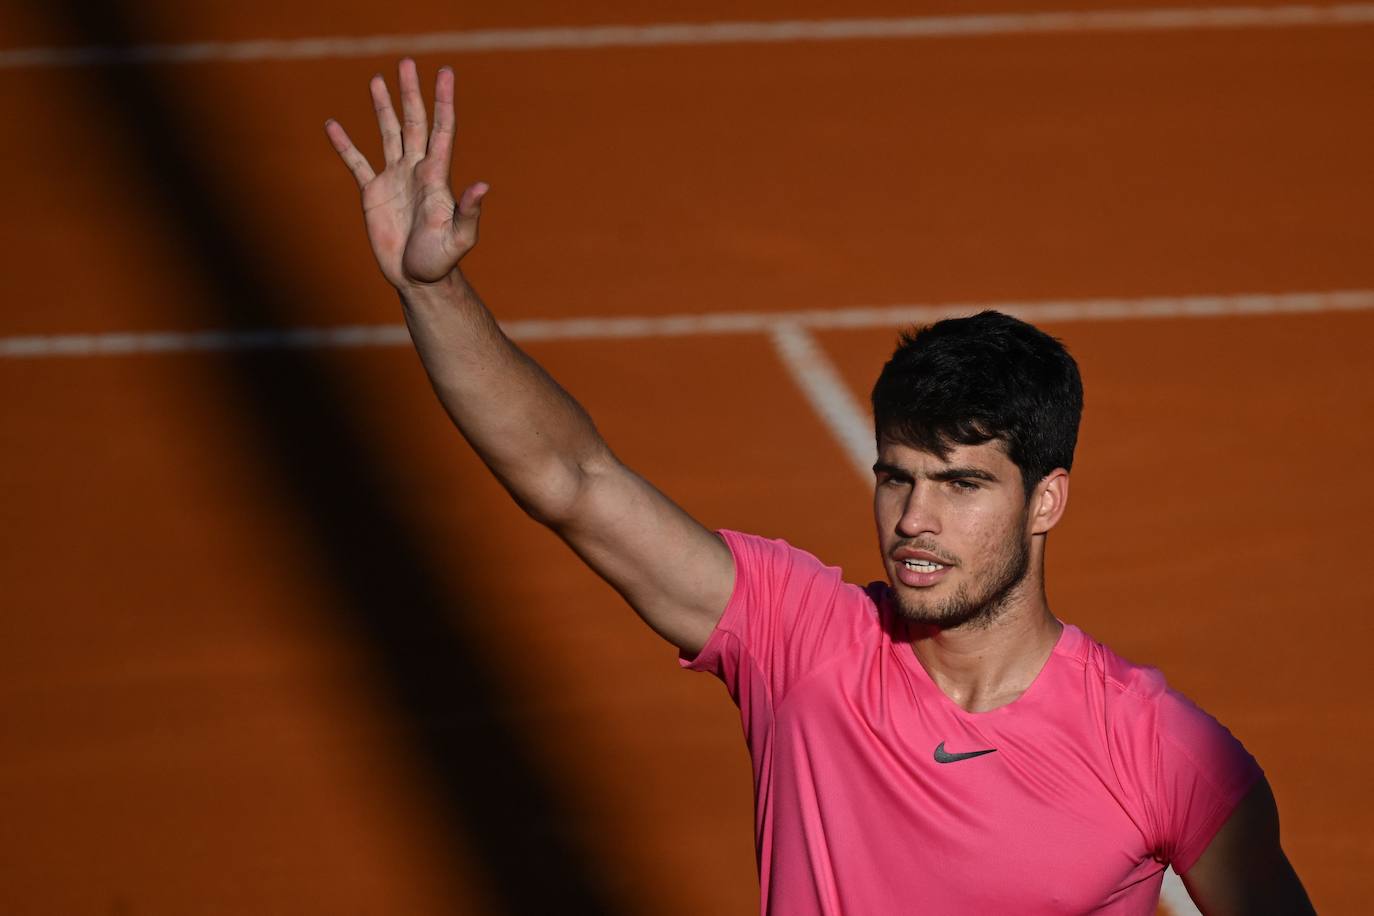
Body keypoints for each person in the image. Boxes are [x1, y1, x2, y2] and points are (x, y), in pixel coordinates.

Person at [324, 60, 1315, 915]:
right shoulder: (801, 640)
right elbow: (571, 479)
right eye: (897, 478)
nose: (914, 521)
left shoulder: (1159, 751)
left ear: (1047, 500)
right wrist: (433, 291)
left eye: (962, 484)